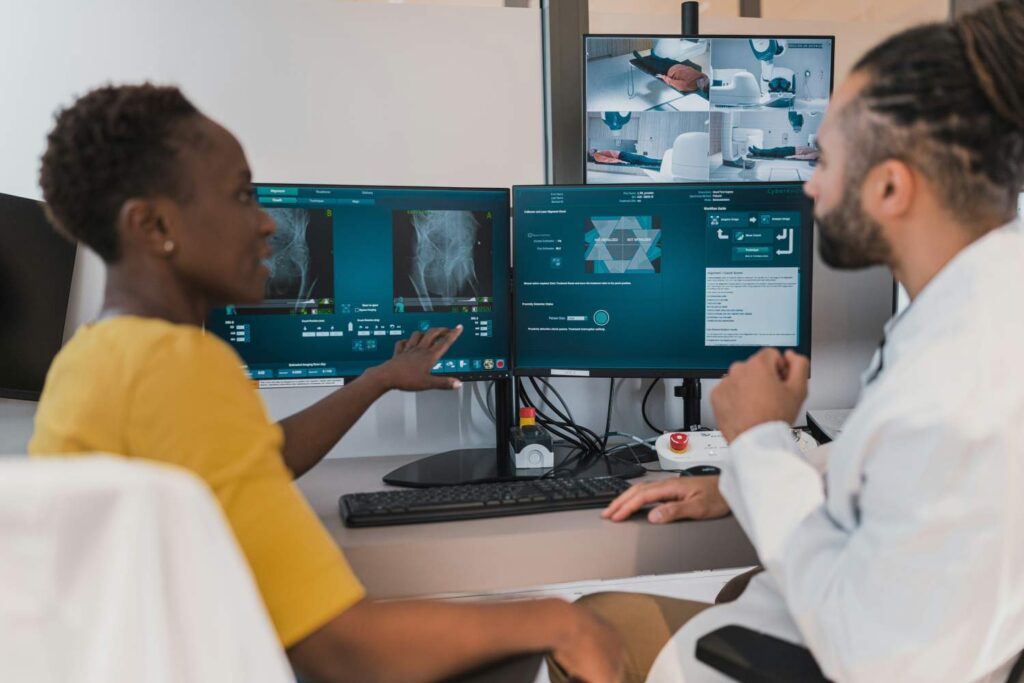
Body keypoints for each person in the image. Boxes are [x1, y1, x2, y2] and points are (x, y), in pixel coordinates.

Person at [29, 84, 623, 683]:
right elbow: (342, 652)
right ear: (153, 225)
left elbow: (259, 461)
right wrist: (558, 619)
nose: (266, 223)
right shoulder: (177, 364)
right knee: (557, 632)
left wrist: (377, 379)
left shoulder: (94, 357)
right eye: (241, 195)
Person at [582, 1, 1024, 681]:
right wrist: (742, 481)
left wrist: (758, 440)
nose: (810, 185)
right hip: (812, 622)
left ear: (889, 185)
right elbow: (902, 470)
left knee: (585, 620)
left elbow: (878, 657)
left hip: (822, 655)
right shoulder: (975, 306)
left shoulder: (969, 377)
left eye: (825, 159)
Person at [589, 148, 663, 168]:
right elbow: (608, 160)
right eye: (590, 150)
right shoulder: (596, 156)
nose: (591, 149)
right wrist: (621, 161)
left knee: (641, 159)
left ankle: (660, 162)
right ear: (591, 154)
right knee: (641, 159)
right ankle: (660, 162)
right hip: (622, 156)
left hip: (622, 155)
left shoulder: (598, 153)